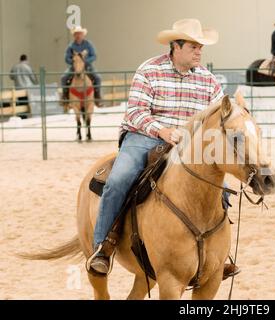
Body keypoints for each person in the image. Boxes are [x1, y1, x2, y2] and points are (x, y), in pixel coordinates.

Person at [87, 19, 240, 280]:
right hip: (144, 136)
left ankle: (217, 254)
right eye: (193, 46)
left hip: (188, 144)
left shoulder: (207, 80)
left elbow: (218, 116)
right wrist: (162, 131)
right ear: (175, 46)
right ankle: (103, 245)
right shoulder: (149, 70)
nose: (199, 51)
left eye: (200, 46)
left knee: (219, 188)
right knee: (119, 179)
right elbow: (135, 112)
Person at [61, 26, 102, 105]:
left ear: (83, 35)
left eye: (80, 34)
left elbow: (94, 55)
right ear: (74, 35)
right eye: (76, 34)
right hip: (74, 67)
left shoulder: (88, 44)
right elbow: (66, 58)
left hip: (87, 66)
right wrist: (74, 62)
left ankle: (97, 97)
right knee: (64, 77)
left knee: (97, 77)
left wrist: (85, 62)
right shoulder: (71, 46)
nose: (78, 35)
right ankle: (65, 96)